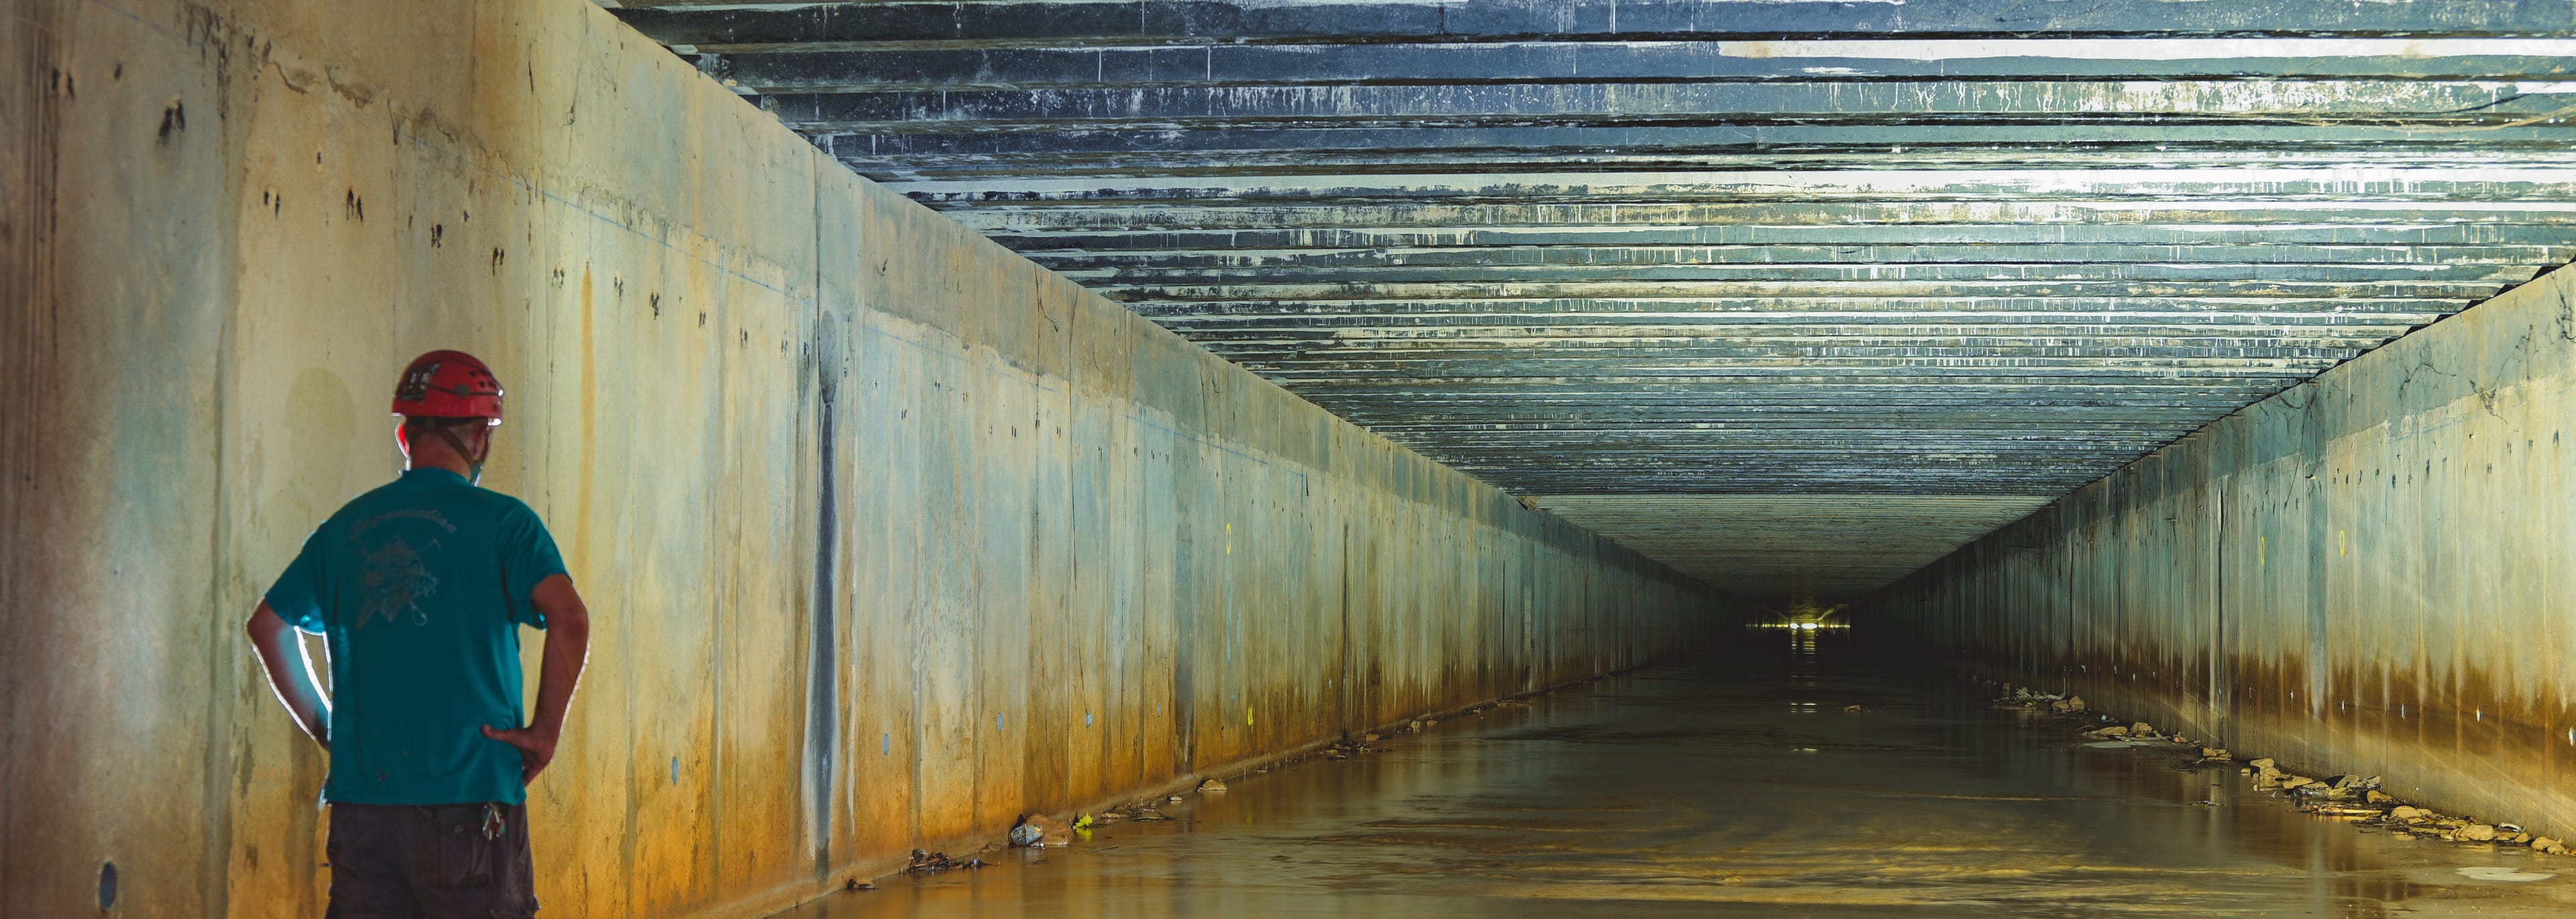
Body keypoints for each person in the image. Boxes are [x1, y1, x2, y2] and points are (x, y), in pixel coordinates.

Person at [246, 350, 591, 918]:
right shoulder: (507, 523)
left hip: (363, 808)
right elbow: (569, 618)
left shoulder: (344, 529)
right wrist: (544, 732)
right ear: (480, 438)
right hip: (470, 800)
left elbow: (268, 627)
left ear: (406, 438)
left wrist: (328, 728)